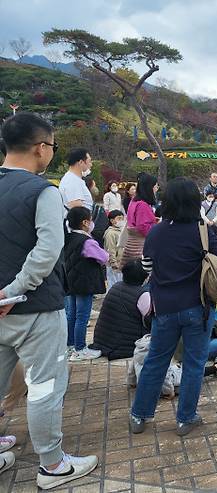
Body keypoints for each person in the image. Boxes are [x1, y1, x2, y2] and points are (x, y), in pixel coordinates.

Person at [0, 112, 98, 488]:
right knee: (44, 386)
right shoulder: (43, 191)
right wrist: (13, 290)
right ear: (41, 148)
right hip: (34, 307)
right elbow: (47, 250)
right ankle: (52, 465)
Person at [130, 177, 217, 437]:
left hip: (165, 309)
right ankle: (186, 419)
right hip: (199, 308)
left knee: (156, 361)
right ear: (195, 202)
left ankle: (139, 416)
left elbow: (147, 268)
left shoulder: (157, 232)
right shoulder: (203, 232)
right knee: (194, 363)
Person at [63, 207, 108, 362]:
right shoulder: (87, 242)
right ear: (85, 223)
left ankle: (70, 345)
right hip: (84, 284)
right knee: (82, 316)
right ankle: (80, 348)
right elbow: (103, 257)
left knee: (71, 315)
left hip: (70, 283)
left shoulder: (67, 238)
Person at [90, 260, 150, 360]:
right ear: (143, 277)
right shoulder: (142, 294)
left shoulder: (115, 286)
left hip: (102, 341)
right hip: (124, 346)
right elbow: (150, 320)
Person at [120, 173, 158, 268]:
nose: (156, 188)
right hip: (139, 247)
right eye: (155, 186)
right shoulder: (142, 205)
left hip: (131, 245)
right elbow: (143, 227)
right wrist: (157, 226)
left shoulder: (134, 201)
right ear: (150, 188)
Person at [104, 210, 125, 289]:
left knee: (120, 285)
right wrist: (113, 263)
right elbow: (110, 249)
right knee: (113, 285)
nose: (121, 221)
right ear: (112, 221)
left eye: (122, 219)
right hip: (114, 264)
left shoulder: (120, 231)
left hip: (120, 263)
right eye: (119, 218)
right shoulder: (110, 233)